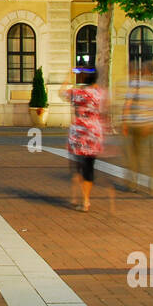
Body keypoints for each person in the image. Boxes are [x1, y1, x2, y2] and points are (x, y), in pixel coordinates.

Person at [59, 67, 115, 214]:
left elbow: (61, 92)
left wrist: (69, 76)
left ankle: (75, 197)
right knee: (89, 167)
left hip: (78, 133)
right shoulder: (100, 94)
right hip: (93, 134)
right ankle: (86, 201)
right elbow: (106, 107)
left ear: (83, 79)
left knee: (77, 166)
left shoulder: (77, 93)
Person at [122, 60, 153, 196]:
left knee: (135, 156)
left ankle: (133, 184)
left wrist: (124, 123)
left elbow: (128, 105)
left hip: (139, 125)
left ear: (143, 71)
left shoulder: (136, 86)